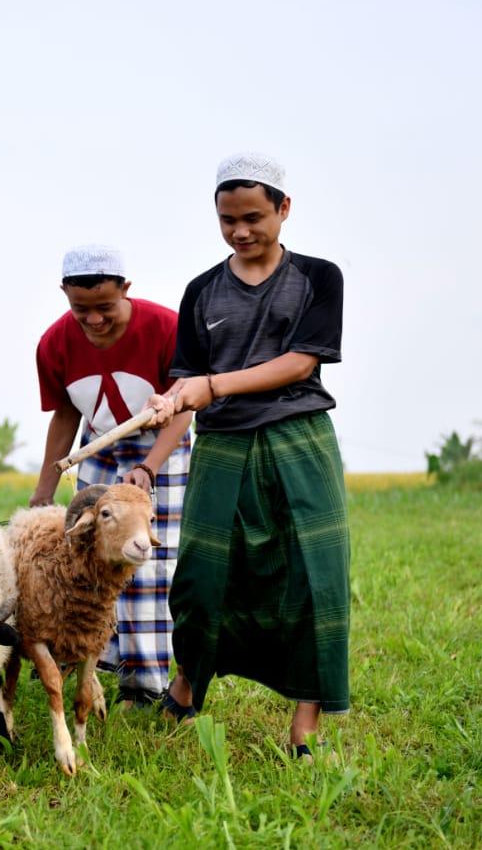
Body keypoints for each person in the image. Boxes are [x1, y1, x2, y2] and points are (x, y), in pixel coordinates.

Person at [146, 152, 350, 761]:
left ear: (284, 210)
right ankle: (187, 686)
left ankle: (305, 722)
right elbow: (187, 384)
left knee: (315, 576)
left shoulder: (319, 276)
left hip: (300, 439)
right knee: (202, 581)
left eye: (254, 217)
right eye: (228, 219)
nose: (241, 231)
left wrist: (213, 385)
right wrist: (170, 411)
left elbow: (301, 362)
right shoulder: (202, 291)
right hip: (223, 445)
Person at [28, 244, 194, 707]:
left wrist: (149, 467)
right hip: (98, 446)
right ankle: (93, 662)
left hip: (161, 449)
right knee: (91, 558)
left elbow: (184, 408)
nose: (95, 320)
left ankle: (143, 684)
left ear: (126, 290)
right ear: (64, 295)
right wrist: (44, 490)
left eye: (105, 307)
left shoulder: (164, 327)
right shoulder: (55, 343)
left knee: (146, 562)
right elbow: (64, 415)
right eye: (81, 309)